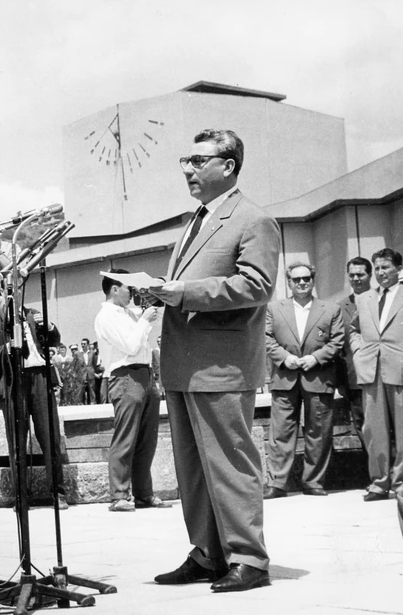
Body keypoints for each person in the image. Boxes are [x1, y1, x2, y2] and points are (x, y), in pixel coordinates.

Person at [147, 129, 280, 593]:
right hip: (185, 365)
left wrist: (182, 292)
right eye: (186, 159)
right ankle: (208, 553)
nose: (188, 168)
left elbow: (257, 286)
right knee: (192, 467)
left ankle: (249, 559)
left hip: (222, 366)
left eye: (198, 160)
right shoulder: (196, 220)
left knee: (228, 463)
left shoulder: (253, 220)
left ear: (228, 165)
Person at [264, 262, 344, 498]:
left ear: (313, 279)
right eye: (296, 279)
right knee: (280, 433)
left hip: (318, 377)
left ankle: (313, 482)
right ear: (288, 282)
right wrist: (284, 357)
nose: (301, 283)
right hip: (285, 378)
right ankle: (277, 484)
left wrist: (316, 358)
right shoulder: (274, 309)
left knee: (318, 431)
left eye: (306, 278)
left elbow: (337, 341)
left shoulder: (330, 309)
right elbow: (267, 338)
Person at [0, 300, 69, 509]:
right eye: (9, 287)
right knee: (17, 441)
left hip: (40, 377)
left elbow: (55, 341)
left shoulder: (34, 314)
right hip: (13, 382)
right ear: (1, 292)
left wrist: (49, 327)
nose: (14, 291)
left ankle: (57, 493)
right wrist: (9, 347)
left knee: (51, 438)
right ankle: (22, 496)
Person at [95, 269, 169, 512]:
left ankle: (143, 493)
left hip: (144, 374)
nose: (132, 293)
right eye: (129, 288)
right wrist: (145, 320)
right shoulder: (106, 317)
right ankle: (119, 495)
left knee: (147, 440)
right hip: (125, 376)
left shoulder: (129, 313)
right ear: (115, 289)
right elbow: (129, 344)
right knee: (125, 438)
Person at [349, 247, 403, 502]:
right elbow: (353, 329)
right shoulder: (364, 298)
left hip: (400, 368)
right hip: (371, 370)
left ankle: (401, 482)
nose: (381, 273)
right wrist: (359, 350)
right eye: (378, 268)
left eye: (386, 267)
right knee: (374, 429)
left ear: (398, 269)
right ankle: (379, 482)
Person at [338, 257, 373, 450]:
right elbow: (338, 347)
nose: (356, 278)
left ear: (370, 275)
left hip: (384, 378)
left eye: (360, 274)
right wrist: (341, 382)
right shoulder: (340, 307)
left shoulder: (383, 300)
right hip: (355, 379)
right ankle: (375, 473)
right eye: (352, 275)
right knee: (361, 424)